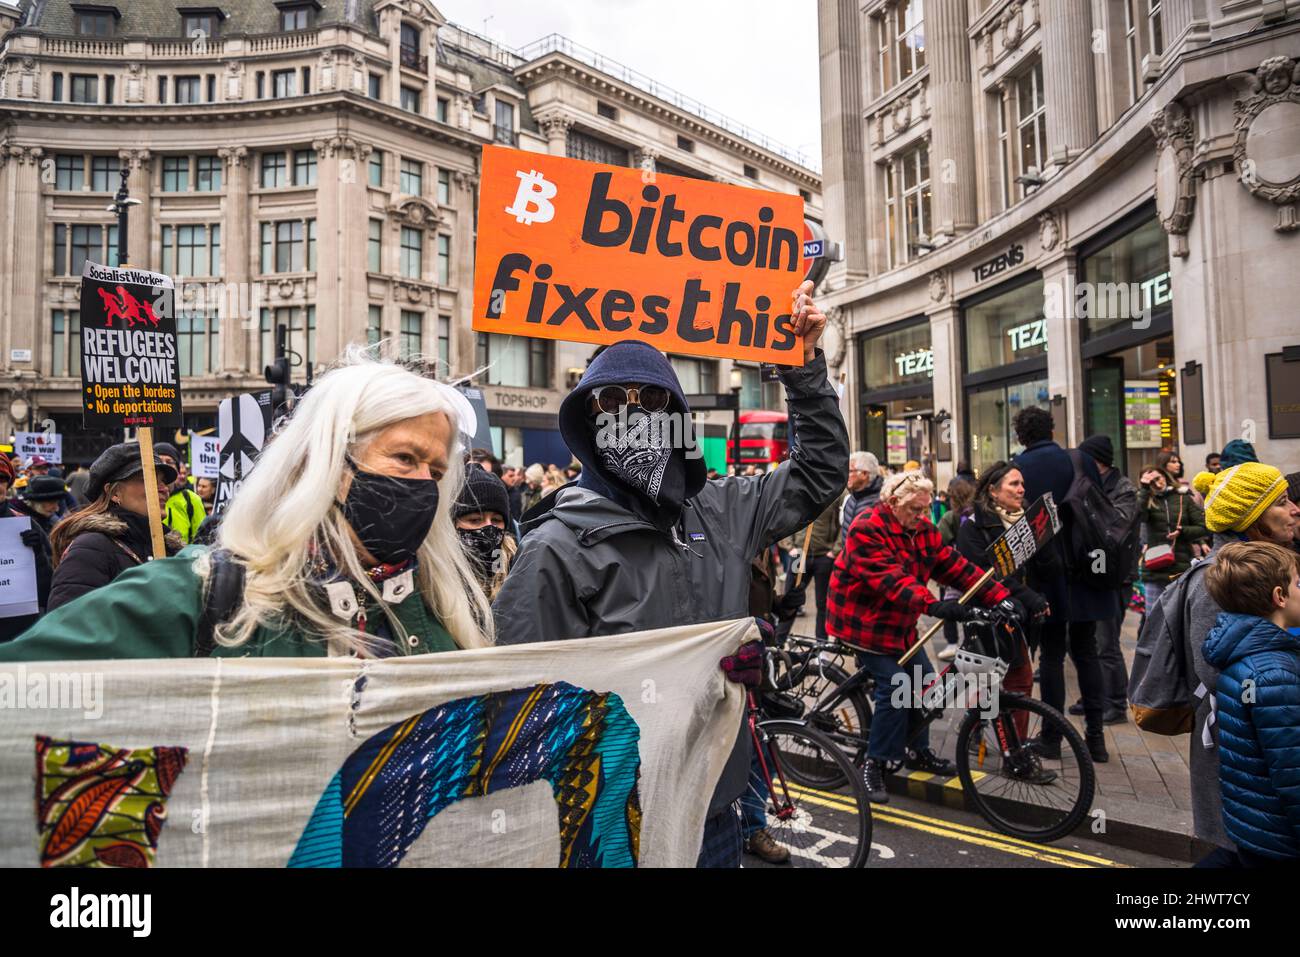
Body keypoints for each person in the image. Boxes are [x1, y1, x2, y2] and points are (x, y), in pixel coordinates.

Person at [493, 281, 848, 866]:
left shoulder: (727, 508)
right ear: (588, 419)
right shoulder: (554, 547)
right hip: (613, 823)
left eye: (652, 401)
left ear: (676, 417)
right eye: (612, 401)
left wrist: (803, 368)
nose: (633, 413)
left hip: (715, 809)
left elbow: (819, 471)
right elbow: (523, 705)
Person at [0, 352, 490, 661]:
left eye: (436, 471)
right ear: (325, 460)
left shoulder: (447, 616)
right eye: (404, 457)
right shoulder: (194, 597)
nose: (423, 483)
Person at [828, 469, 1012, 802]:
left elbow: (953, 566)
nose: (922, 516)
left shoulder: (922, 530)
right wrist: (934, 605)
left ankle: (917, 751)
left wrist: (999, 596)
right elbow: (890, 579)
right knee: (897, 686)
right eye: (915, 509)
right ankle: (875, 762)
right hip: (862, 624)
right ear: (893, 502)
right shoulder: (867, 527)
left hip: (899, 625)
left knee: (927, 687)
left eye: (926, 509)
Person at [1143, 462, 1300, 850]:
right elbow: (1216, 674)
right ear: (1252, 518)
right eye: (1280, 502)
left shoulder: (1263, 565)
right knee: (1241, 850)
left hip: (1266, 746)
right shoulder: (1221, 578)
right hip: (1240, 756)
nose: (1294, 508)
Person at [1010, 407, 1112, 762]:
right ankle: (1096, 740)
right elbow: (1101, 511)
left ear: (1021, 434)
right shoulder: (1081, 459)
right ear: (1051, 429)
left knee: (1052, 656)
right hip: (1087, 568)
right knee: (1087, 652)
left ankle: (1052, 738)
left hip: (1048, 573)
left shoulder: (1019, 468)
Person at [1201, 541, 1300, 865]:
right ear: (1279, 596)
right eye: (1298, 582)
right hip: (1280, 841)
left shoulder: (1246, 656)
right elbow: (1293, 776)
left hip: (1254, 830)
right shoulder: (1273, 675)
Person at [955, 462, 1052, 757]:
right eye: (1013, 484)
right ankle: (991, 737)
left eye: (1022, 484)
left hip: (1024, 615)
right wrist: (1029, 597)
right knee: (991, 676)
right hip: (990, 615)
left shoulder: (1030, 524)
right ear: (993, 491)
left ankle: (1011, 742)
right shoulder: (973, 526)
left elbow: (1043, 569)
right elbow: (986, 576)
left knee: (1015, 678)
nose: (1021, 490)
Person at [41, 443, 182, 613]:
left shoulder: (171, 549)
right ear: (114, 493)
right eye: (148, 480)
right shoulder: (90, 549)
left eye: (163, 482)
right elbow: (67, 625)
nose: (164, 489)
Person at [1070, 434, 1141, 723]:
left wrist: (1085, 502)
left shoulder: (1123, 489)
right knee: (1083, 642)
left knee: (1106, 642)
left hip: (1115, 578)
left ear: (1097, 462)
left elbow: (1113, 528)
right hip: (1088, 574)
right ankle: (1094, 695)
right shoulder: (1089, 485)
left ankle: (1114, 703)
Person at [1137, 461, 1207, 611]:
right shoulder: (1145, 500)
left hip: (1179, 566)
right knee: (1154, 618)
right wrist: (1144, 489)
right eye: (1151, 480)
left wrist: (1182, 532)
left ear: (1165, 476)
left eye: (1159, 477)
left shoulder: (1182, 498)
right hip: (1154, 567)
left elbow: (1204, 527)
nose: (1158, 482)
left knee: (1179, 616)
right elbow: (1138, 517)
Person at [0, 456, 52, 641]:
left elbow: (47, 590)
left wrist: (36, 554)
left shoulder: (25, 525)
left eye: (2, 479)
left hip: (17, 633)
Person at [453, 464, 515, 602]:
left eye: (496, 520)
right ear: (452, 524)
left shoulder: (516, 569)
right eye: (475, 520)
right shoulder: (436, 578)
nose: (489, 527)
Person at [934, 476, 976, 662]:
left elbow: (937, 541)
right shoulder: (976, 513)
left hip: (952, 571)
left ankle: (952, 644)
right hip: (973, 571)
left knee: (949, 607)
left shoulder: (950, 517)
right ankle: (970, 644)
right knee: (971, 607)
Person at [152, 442, 207, 545]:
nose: (164, 464)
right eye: (158, 460)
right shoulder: (144, 497)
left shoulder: (190, 499)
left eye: (169, 461)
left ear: (177, 469)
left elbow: (201, 538)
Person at [840, 451, 882, 546]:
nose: (846, 475)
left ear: (864, 474)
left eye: (850, 471)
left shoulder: (881, 501)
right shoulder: (851, 499)